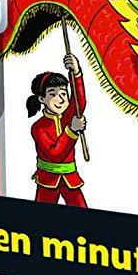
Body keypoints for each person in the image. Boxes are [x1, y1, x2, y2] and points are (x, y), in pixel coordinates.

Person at [27, 65, 89, 205]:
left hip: (71, 178)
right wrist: (72, 130)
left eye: (63, 94)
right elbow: (56, 154)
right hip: (47, 180)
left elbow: (79, 102)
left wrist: (76, 72)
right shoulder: (38, 127)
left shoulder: (68, 116)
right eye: (53, 94)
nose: (60, 99)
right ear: (41, 98)